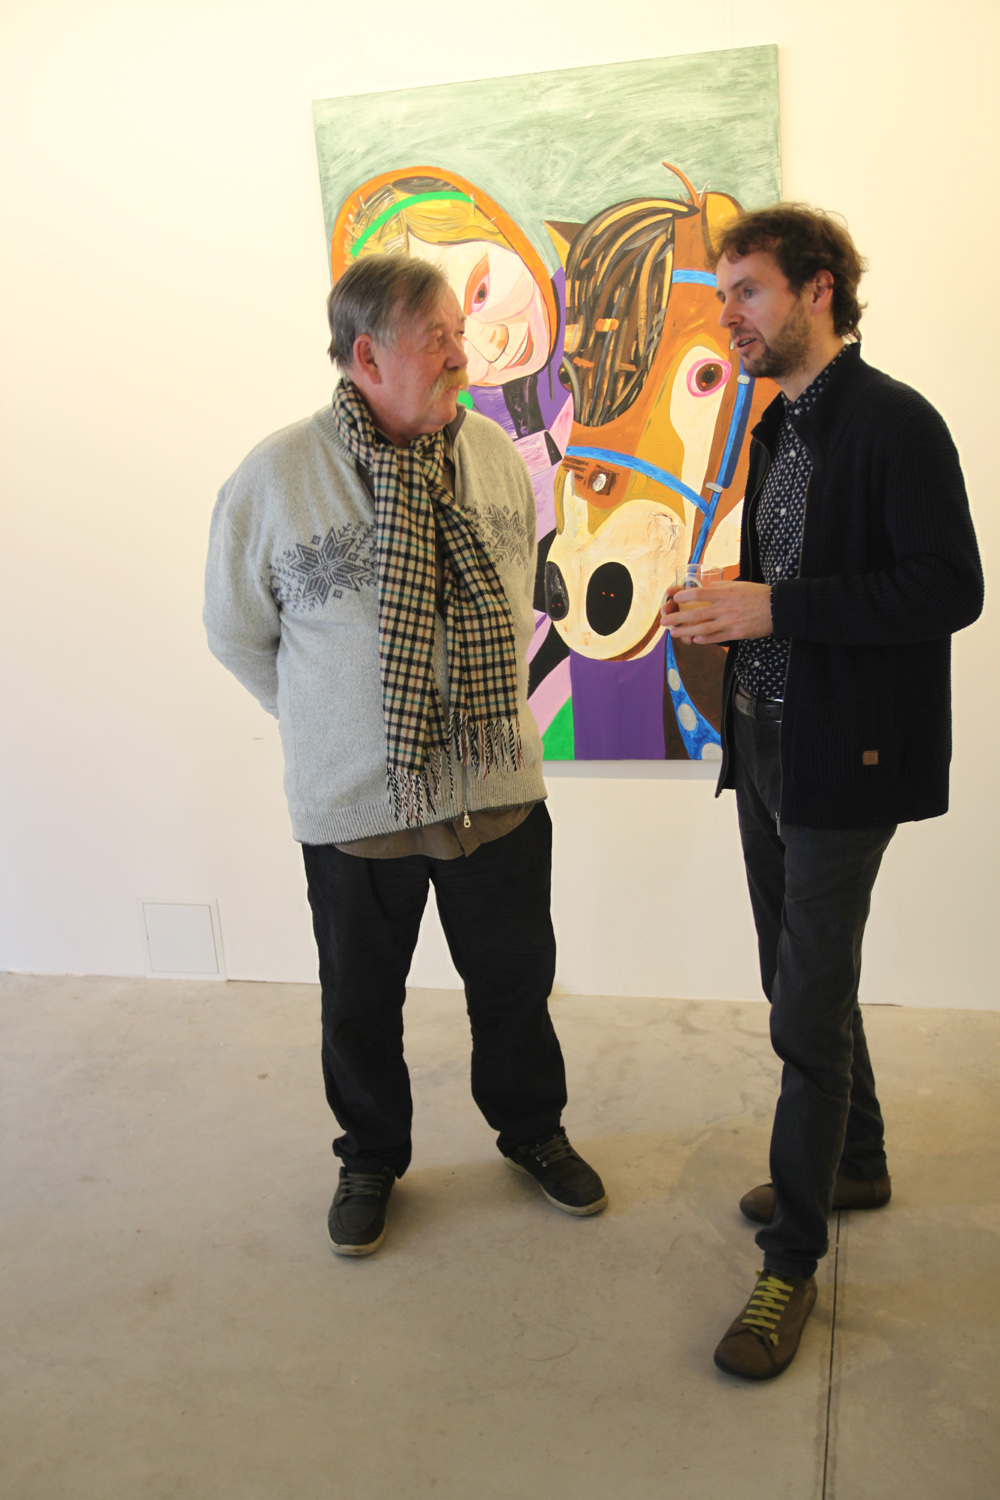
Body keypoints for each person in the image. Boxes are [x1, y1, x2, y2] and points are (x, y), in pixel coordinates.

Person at [204, 253, 606, 1256]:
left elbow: (514, 594)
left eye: (458, 336)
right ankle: (371, 1157)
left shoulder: (492, 455)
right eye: (437, 341)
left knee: (515, 985)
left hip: (496, 789)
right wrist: (328, 723)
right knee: (360, 1002)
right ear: (368, 356)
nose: (462, 358)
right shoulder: (277, 476)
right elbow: (235, 631)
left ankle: (533, 1130)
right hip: (358, 806)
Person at [662, 205, 983, 1379]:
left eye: (745, 290)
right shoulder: (776, 427)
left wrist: (774, 606)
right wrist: (730, 602)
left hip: (845, 761)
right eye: (722, 295)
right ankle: (857, 1161)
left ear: (818, 291)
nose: (727, 316)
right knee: (796, 976)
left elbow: (949, 588)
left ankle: (789, 1263)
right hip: (765, 746)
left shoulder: (897, 423)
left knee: (803, 1006)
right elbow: (794, 582)